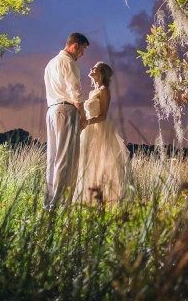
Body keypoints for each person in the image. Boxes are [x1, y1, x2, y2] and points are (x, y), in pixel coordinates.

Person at [43, 32, 89, 208]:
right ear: (75, 45)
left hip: (52, 110)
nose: (82, 55)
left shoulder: (50, 63)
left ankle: (48, 201)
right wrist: (83, 116)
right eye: (82, 50)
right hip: (66, 110)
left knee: (53, 157)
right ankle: (58, 203)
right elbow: (75, 91)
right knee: (65, 158)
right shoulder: (68, 62)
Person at [75, 62, 130, 205]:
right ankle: (89, 200)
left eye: (95, 68)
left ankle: (102, 202)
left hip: (99, 131)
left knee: (99, 164)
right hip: (89, 130)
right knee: (87, 164)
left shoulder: (104, 90)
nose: (91, 68)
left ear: (102, 73)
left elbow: (103, 116)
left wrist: (86, 122)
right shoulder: (94, 91)